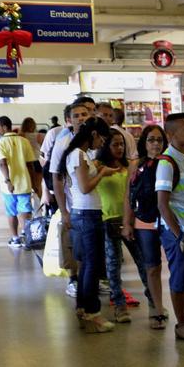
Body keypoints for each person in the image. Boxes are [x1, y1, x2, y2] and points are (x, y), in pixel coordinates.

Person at [61, 118, 118, 334]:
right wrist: (102, 173)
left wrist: (99, 169)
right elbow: (84, 188)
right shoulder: (78, 154)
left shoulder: (79, 154)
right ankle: (93, 312)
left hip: (85, 214)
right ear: (94, 134)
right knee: (93, 265)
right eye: (102, 138)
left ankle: (83, 308)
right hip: (87, 215)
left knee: (87, 264)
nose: (102, 143)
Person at [94, 131, 150, 324]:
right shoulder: (97, 166)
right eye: (115, 145)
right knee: (113, 265)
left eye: (121, 145)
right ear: (105, 146)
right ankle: (119, 305)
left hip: (130, 220)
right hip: (107, 219)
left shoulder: (130, 166)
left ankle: (153, 300)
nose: (119, 148)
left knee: (143, 262)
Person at [156, 113, 184, 341]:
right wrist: (179, 235)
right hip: (176, 231)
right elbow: (163, 205)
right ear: (171, 134)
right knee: (179, 276)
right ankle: (181, 324)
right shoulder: (167, 162)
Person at [125, 125, 170, 330]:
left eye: (159, 140)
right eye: (151, 140)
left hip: (168, 221)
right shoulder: (136, 165)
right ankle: (157, 308)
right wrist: (127, 223)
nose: (155, 144)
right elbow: (128, 196)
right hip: (144, 221)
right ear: (144, 142)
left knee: (178, 264)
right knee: (152, 266)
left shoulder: (169, 163)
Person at [0, 116, 35, 247]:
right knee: (25, 211)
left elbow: (2, 163)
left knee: (11, 212)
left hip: (8, 186)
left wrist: (8, 181)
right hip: (25, 183)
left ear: (4, 127)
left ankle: (15, 238)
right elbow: (30, 165)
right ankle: (27, 237)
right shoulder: (24, 141)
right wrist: (33, 182)